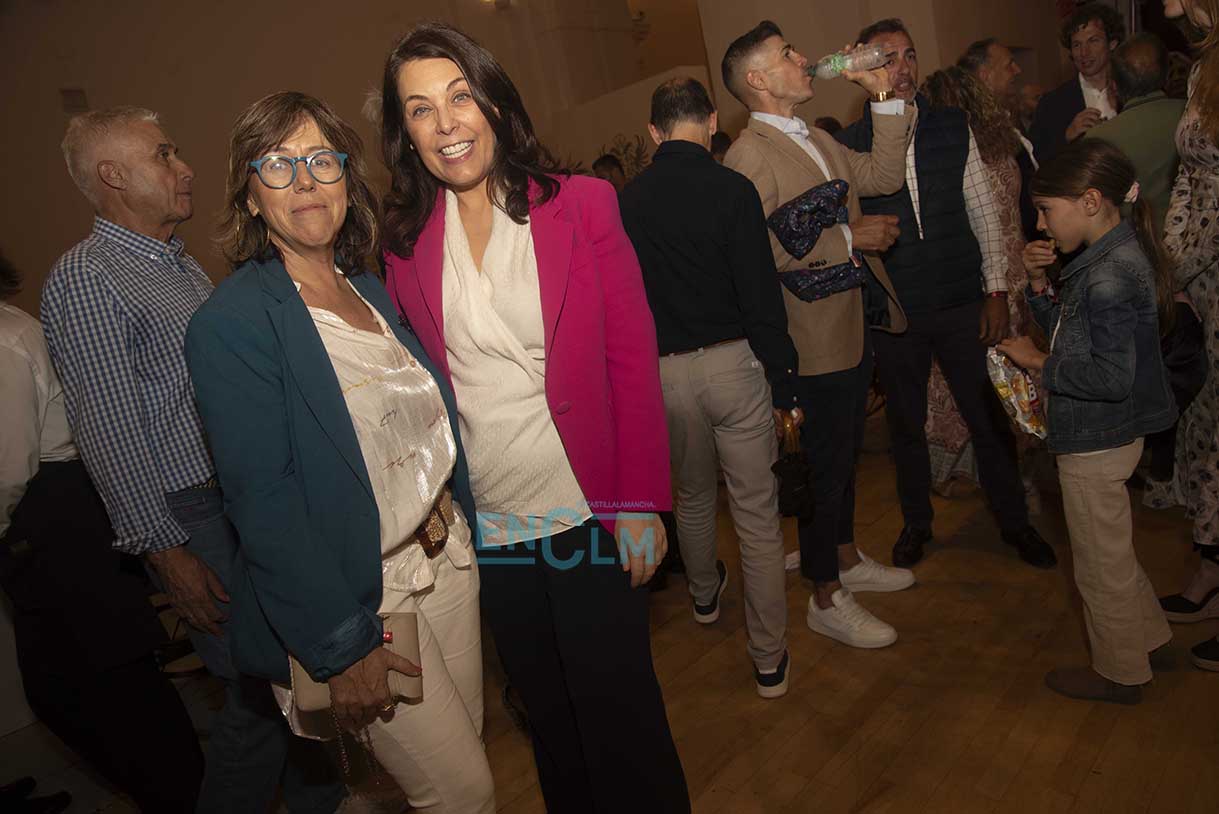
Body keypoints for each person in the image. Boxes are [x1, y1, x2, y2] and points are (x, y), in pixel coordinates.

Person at [379, 23, 689, 812]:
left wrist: (640, 503)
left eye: (459, 96)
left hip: (588, 508)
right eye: (420, 109)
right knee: (547, 718)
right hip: (495, 528)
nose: (446, 124)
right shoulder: (405, 248)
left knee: (620, 717)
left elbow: (631, 358)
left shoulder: (581, 205)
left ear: (494, 102)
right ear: (405, 134)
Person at [184, 91, 495, 812]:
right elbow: (264, 505)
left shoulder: (370, 291)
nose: (305, 181)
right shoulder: (233, 323)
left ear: (347, 182)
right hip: (365, 595)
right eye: (278, 165)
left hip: (444, 561)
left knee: (457, 765)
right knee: (463, 793)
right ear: (251, 197)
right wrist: (342, 642)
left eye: (322, 160)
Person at [40, 107, 343, 813]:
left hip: (230, 502)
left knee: (287, 685)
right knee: (261, 693)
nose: (185, 168)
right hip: (189, 513)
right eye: (164, 155)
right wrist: (165, 551)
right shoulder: (88, 276)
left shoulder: (174, 265)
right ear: (114, 175)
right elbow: (107, 427)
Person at [721, 20, 916, 649]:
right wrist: (848, 237)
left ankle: (845, 557)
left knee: (845, 454)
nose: (804, 58)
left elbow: (883, 175)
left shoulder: (817, 139)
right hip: (807, 336)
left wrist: (881, 94)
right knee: (824, 468)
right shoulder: (749, 154)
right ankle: (825, 595)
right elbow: (751, 253)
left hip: (848, 324)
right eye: (787, 54)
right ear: (758, 79)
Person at [837, 19, 1055, 570]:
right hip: (897, 311)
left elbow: (984, 213)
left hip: (961, 302)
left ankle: (1015, 523)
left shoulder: (952, 126)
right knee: (905, 427)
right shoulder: (851, 143)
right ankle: (917, 524)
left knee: (988, 418)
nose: (903, 67)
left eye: (909, 55)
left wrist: (995, 290)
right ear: (864, 68)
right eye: (888, 58)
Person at [1, 251, 202, 812]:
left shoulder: (5, 338)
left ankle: (188, 796)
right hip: (54, 515)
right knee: (88, 685)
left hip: (57, 518)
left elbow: (7, 469)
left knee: (108, 684)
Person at [620, 76, 798, 697]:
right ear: (713, 119)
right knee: (756, 515)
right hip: (734, 364)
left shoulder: (627, 202)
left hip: (663, 374)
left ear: (653, 132)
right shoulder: (733, 189)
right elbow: (760, 295)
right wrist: (785, 379)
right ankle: (769, 659)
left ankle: (702, 597)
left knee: (692, 496)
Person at [998, 138, 1177, 704]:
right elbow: (1074, 332)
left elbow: (1108, 376)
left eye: (1046, 209)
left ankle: (1120, 673)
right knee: (1112, 550)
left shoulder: (1108, 276)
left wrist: (1037, 362)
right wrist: (1037, 286)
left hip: (1096, 439)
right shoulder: (1110, 256)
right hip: (1111, 434)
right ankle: (1147, 639)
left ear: (1092, 201)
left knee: (1099, 567)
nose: (1040, 222)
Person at [920, 65, 1046, 507]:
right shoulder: (1008, 147)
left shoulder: (951, 156)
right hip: (1016, 274)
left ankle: (972, 474)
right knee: (1013, 378)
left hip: (979, 279)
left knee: (965, 385)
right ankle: (1019, 473)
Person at [1156, 0, 1219, 672]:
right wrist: (1170, 266)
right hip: (1203, 282)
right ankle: (1210, 571)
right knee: (1205, 429)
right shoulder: (1206, 58)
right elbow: (1189, 178)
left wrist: (1181, 262)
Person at [1086, 33, 1187, 229]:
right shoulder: (1195, 117)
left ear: (1114, 86)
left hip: (1133, 240)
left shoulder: (1098, 139)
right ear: (1166, 75)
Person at [959, 38, 1040, 240]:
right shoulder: (975, 136)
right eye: (1009, 65)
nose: (1018, 70)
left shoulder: (1005, 121)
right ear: (985, 76)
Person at [1029, 3, 1126, 162]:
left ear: (1112, 43)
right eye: (1076, 45)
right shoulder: (1051, 104)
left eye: (1093, 41)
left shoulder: (1131, 92)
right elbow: (1035, 161)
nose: (1084, 52)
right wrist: (1067, 137)